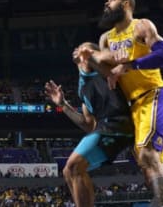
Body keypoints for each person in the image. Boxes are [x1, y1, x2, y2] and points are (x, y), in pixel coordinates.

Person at [78, 0, 163, 207]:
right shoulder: (106, 38)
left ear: (126, 4)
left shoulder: (141, 25)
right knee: (150, 171)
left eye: (112, 0)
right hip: (133, 107)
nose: (107, 3)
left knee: (148, 156)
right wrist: (88, 57)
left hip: (154, 95)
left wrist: (131, 63)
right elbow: (109, 72)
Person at [45, 41, 134, 207]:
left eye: (84, 48)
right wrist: (63, 105)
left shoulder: (98, 68)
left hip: (117, 124)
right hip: (105, 126)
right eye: (78, 47)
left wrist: (93, 55)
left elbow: (110, 57)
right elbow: (88, 124)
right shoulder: (82, 86)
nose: (78, 49)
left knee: (73, 167)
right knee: (68, 171)